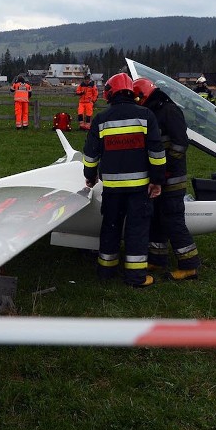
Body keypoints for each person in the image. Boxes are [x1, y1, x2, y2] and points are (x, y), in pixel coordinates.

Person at [82, 73, 165, 287]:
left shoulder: (101, 119)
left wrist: (90, 177)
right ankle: (136, 277)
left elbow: (91, 155)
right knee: (137, 230)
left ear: (110, 93)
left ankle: (106, 271)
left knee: (110, 227)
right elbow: (156, 153)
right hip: (140, 188)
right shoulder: (146, 115)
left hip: (112, 189)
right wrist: (156, 181)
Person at [132, 78, 201, 281]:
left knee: (172, 219)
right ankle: (157, 258)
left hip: (171, 177)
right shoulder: (153, 111)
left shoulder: (169, 111)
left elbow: (180, 144)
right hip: (157, 176)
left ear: (143, 95)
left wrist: (164, 168)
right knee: (156, 218)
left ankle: (189, 265)